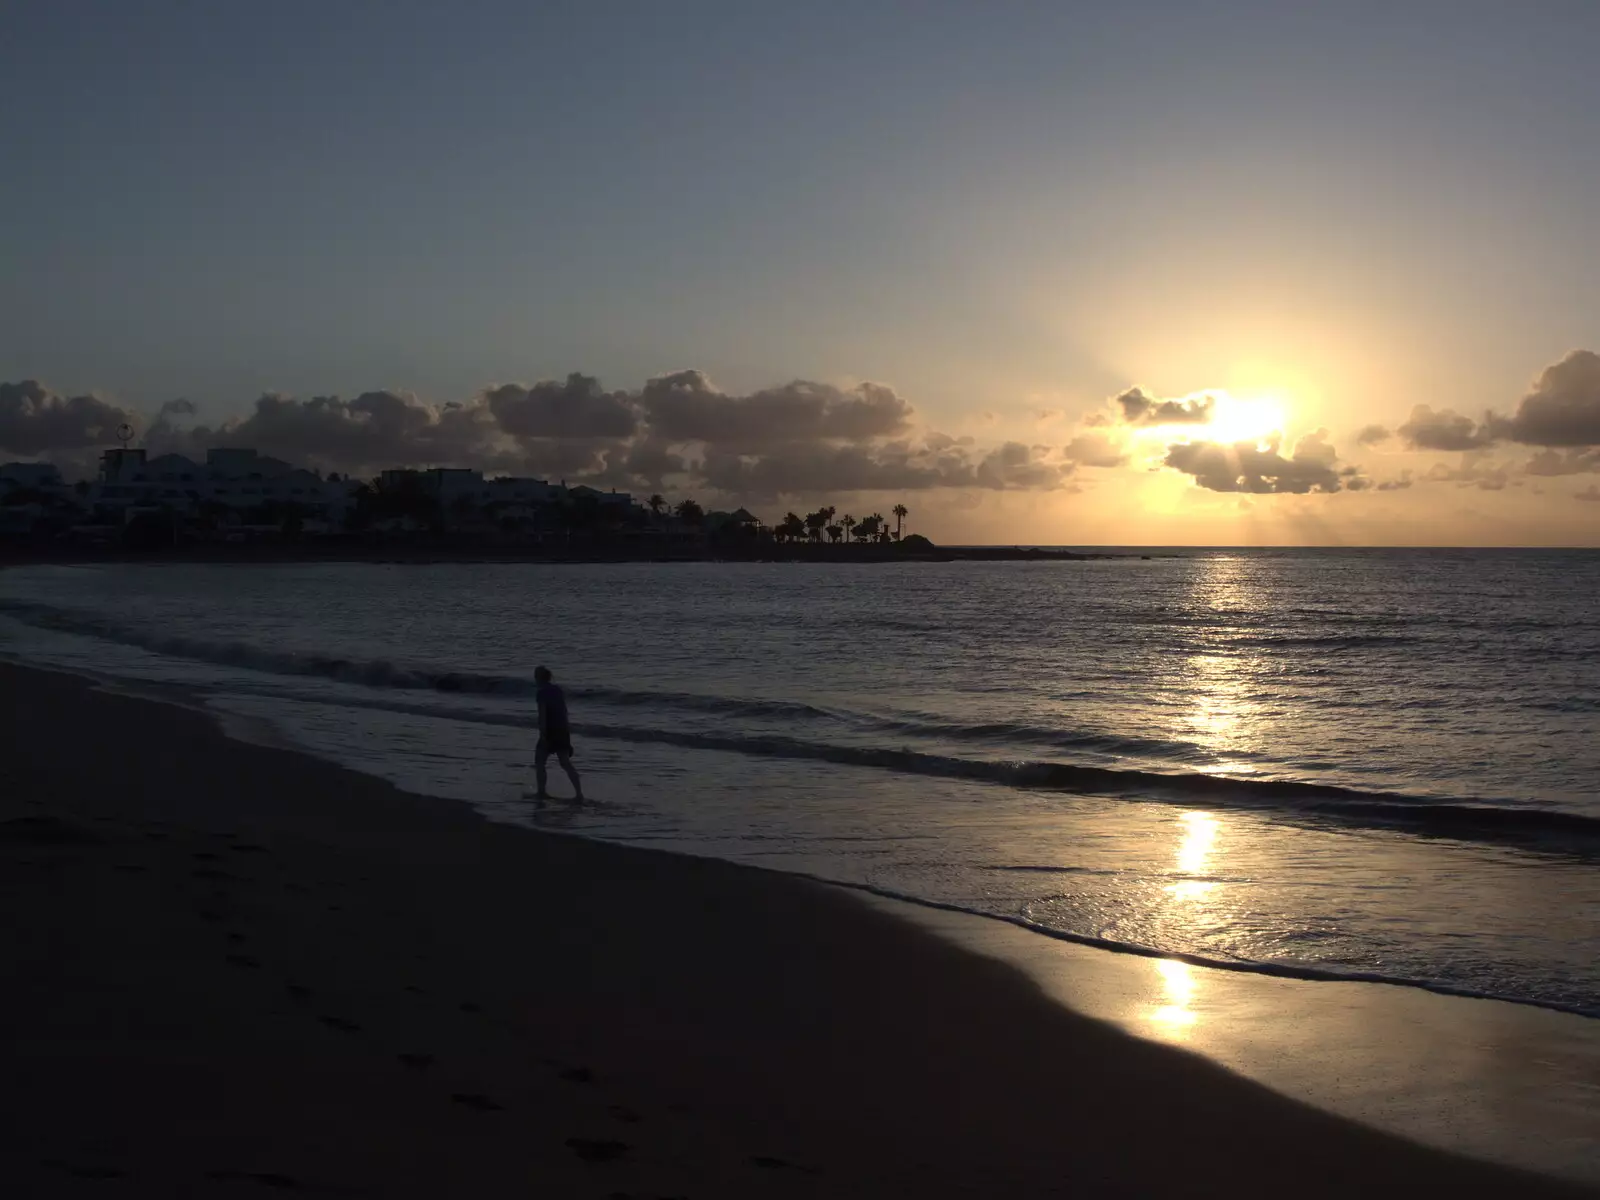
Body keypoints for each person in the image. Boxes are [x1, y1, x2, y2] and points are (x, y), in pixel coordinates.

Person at [532, 665, 583, 803]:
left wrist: (543, 736)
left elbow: (542, 715)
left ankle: (541, 792)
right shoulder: (558, 690)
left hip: (550, 731)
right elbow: (564, 712)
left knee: (540, 761)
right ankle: (579, 794)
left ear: (539, 678)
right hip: (562, 730)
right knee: (565, 763)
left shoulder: (541, 693)